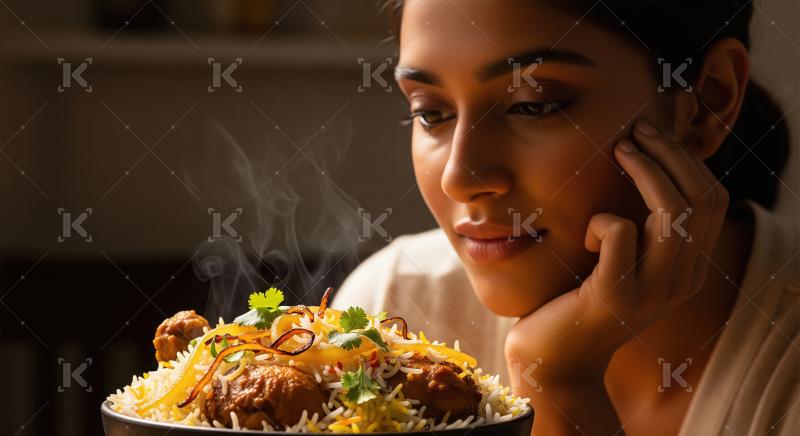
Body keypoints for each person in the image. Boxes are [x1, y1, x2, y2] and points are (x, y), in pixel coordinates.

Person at [332, 1, 798, 435]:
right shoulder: (394, 311)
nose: (459, 177)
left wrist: (560, 381)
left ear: (706, 103)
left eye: (533, 105)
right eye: (431, 113)